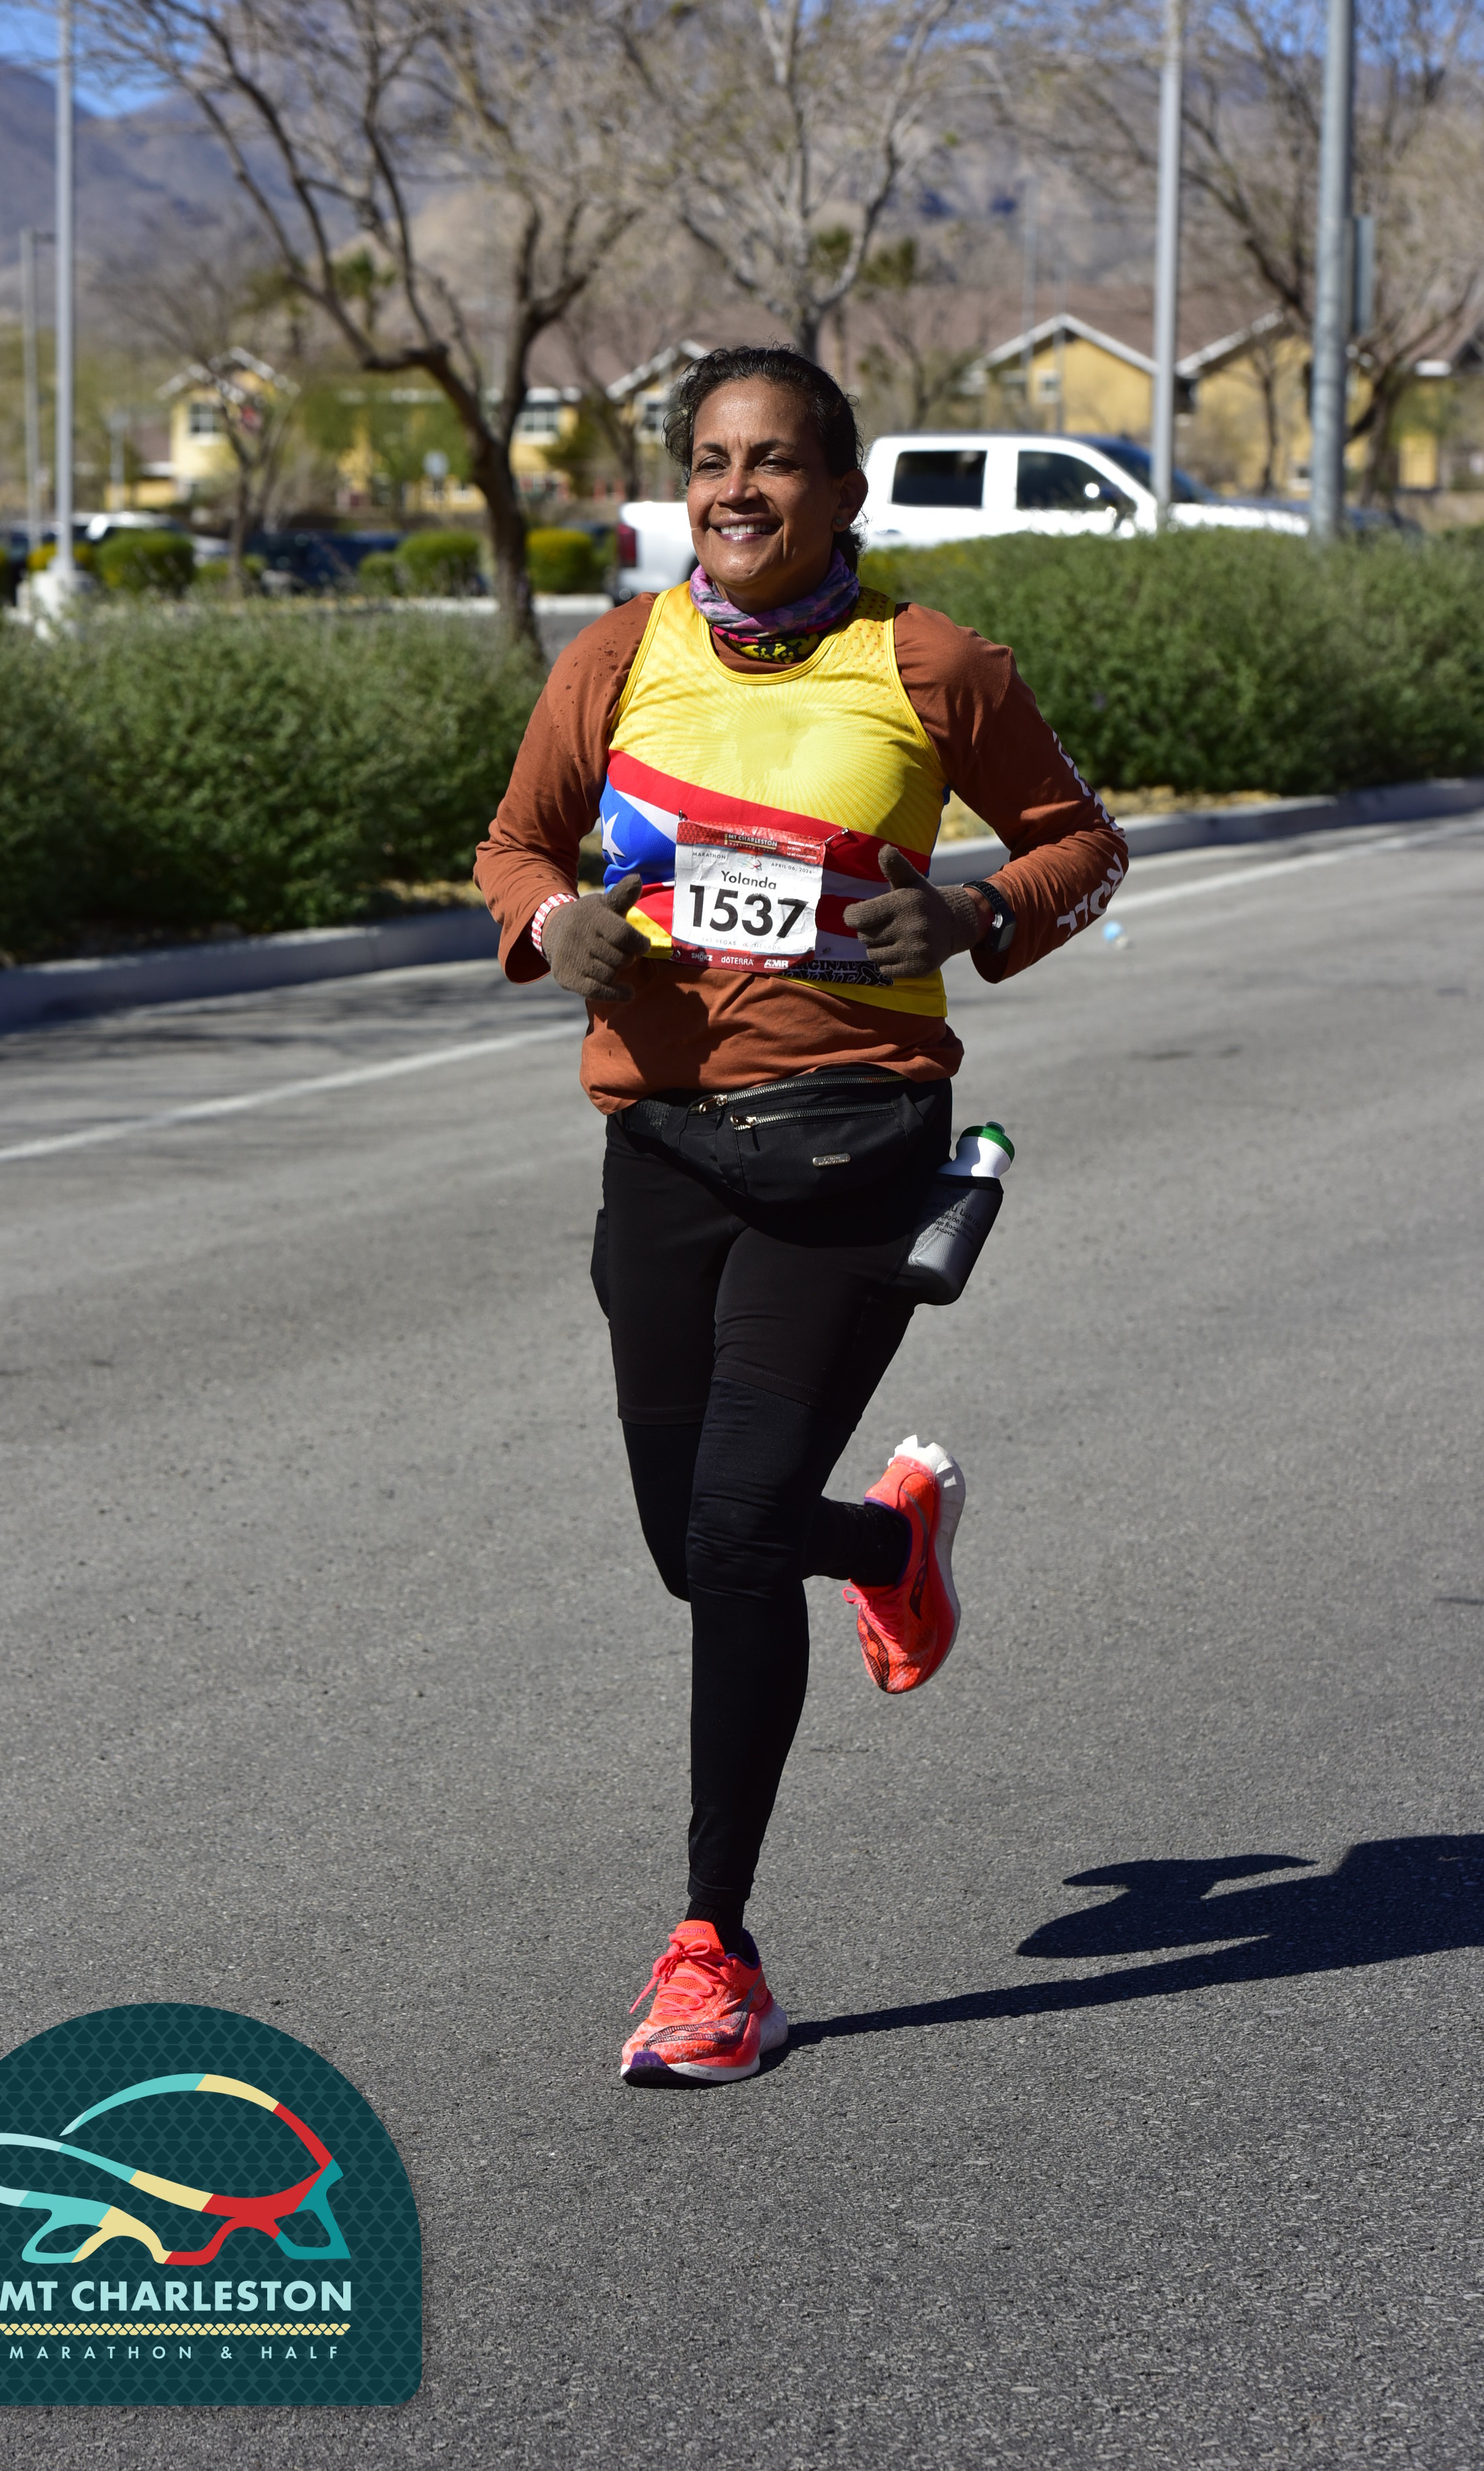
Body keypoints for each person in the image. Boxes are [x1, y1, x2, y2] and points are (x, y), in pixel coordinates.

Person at [475, 346, 1127, 2085]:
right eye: (709, 460)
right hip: (663, 1150)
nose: (735, 490)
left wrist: (977, 914)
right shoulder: (618, 656)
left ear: (843, 492)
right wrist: (548, 924)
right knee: (694, 1544)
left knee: (739, 1527)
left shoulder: (931, 665)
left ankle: (715, 1952)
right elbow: (514, 847)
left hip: (851, 1149)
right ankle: (891, 1548)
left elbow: (1083, 843)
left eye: (772, 462)